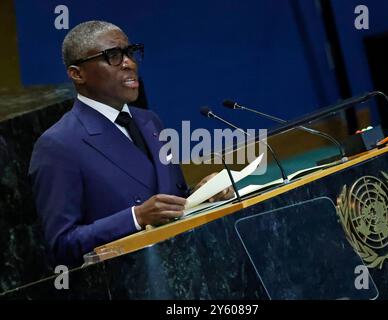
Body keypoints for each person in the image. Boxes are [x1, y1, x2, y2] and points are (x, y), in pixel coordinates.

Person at [29, 21, 234, 267]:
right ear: (77, 74)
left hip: (189, 268)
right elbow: (62, 246)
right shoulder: (58, 145)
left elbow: (166, 198)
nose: (129, 63)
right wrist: (135, 218)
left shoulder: (149, 121)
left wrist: (204, 193)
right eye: (113, 55)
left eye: (130, 52)